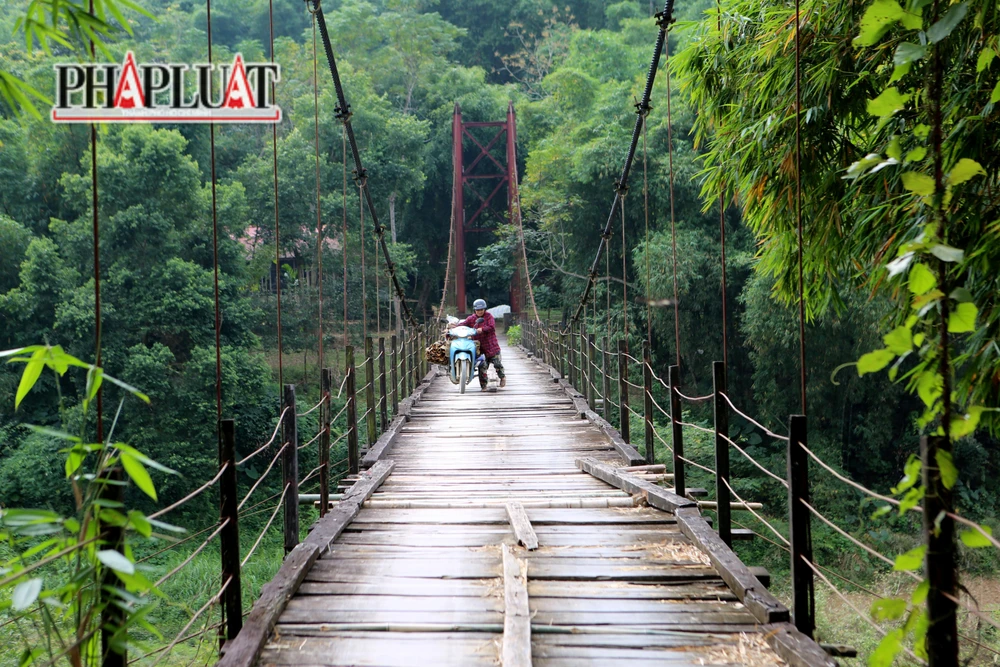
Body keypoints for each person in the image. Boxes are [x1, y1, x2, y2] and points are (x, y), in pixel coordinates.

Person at [451, 298, 506, 391]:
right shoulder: (471, 318)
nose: (479, 312)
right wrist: (454, 327)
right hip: (479, 347)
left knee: (497, 364)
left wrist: (482, 329)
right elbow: (464, 324)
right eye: (477, 310)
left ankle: (502, 377)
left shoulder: (489, 317)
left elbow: (491, 327)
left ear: (484, 309)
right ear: (474, 310)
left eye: (481, 310)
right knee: (482, 366)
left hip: (491, 346)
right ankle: (484, 386)